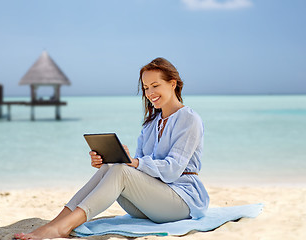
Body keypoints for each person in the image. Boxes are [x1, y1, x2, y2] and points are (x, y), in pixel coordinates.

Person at [14, 57, 209, 240]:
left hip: (182, 202)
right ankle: (56, 222)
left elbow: (173, 168)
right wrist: (108, 162)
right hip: (151, 203)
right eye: (146, 87)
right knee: (113, 166)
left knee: (121, 169)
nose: (150, 93)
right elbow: (139, 168)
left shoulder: (189, 119)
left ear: (173, 83)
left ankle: (64, 227)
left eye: (155, 86)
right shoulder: (150, 124)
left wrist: (133, 163)